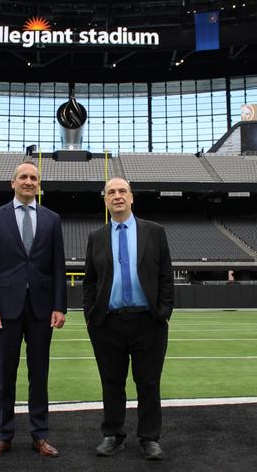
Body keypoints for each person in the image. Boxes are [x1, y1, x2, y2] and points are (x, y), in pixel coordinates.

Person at [0, 160, 67, 460]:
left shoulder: (52, 219)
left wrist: (60, 306)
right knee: (5, 375)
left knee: (39, 375)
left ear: (38, 184)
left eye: (34, 177)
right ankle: (3, 436)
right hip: (6, 309)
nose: (29, 181)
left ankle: (40, 435)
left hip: (42, 309)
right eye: (23, 177)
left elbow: (58, 267)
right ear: (12, 183)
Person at [83, 177, 173, 461]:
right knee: (111, 382)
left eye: (122, 191)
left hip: (147, 320)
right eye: (111, 192)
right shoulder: (96, 236)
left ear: (132, 198)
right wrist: (91, 315)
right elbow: (90, 281)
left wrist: (163, 312)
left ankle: (149, 438)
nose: (117, 196)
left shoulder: (154, 232)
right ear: (106, 200)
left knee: (148, 382)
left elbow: (166, 276)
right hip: (108, 322)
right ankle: (113, 434)